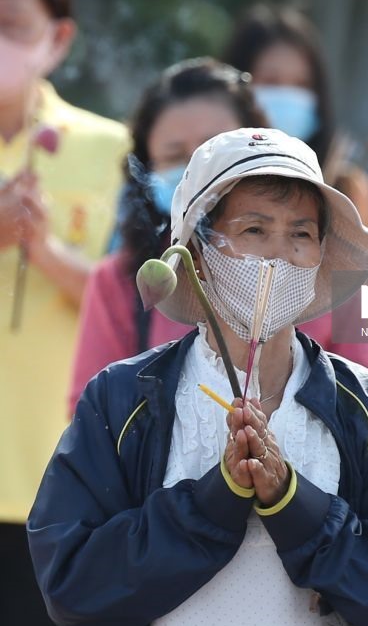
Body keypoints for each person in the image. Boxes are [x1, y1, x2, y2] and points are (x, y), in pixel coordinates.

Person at [28, 128, 368, 626]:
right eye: (254, 230)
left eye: (300, 234)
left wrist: (296, 505)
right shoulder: (123, 400)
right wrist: (214, 501)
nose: (279, 255)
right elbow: (73, 588)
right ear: (199, 254)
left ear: (321, 254)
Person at [0, 0, 129, 626]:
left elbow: (144, 308)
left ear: (59, 38)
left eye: (13, 25)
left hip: (63, 486)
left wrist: (45, 253)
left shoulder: (110, 151)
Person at [68, 57, 267, 414]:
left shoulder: (326, 263)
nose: (197, 168)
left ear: (264, 145)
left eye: (215, 147)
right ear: (146, 173)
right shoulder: (121, 281)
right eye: (175, 156)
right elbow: (93, 418)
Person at [223, 0, 368, 373]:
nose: (287, 97)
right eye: (271, 83)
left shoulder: (346, 190)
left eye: (302, 86)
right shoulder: (203, 193)